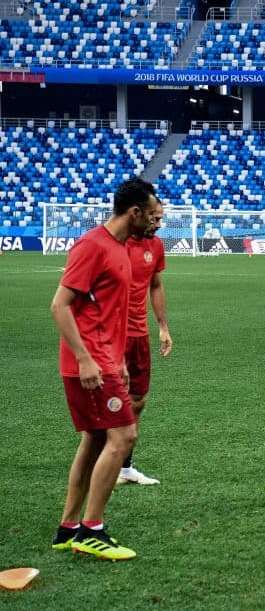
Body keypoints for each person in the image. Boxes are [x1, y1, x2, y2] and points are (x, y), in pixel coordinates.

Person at [50, 177, 161, 561]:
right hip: (89, 364)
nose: (154, 223)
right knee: (125, 437)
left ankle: (68, 527)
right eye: (150, 215)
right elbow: (60, 306)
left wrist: (119, 363)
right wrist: (85, 359)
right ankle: (91, 529)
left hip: (106, 362)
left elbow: (107, 313)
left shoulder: (120, 248)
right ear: (134, 213)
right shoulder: (92, 245)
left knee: (96, 440)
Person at [118, 198, 173, 486]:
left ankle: (124, 467)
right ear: (138, 214)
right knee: (112, 400)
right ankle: (105, 462)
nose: (159, 224)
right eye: (156, 218)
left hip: (139, 335)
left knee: (137, 400)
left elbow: (155, 284)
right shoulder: (113, 243)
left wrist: (163, 327)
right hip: (111, 337)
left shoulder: (156, 246)